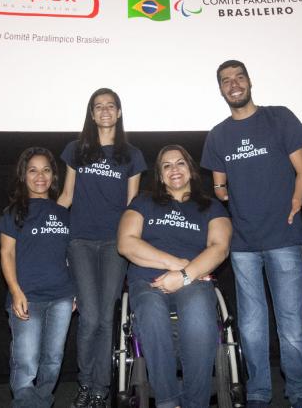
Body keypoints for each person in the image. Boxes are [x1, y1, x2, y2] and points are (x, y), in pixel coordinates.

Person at [200, 60, 302, 408]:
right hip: (243, 244)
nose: (233, 84)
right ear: (220, 89)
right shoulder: (218, 135)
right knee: (251, 326)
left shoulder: (279, 117)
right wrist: (226, 190)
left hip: (283, 237)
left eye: (238, 77)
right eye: (226, 81)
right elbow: (218, 186)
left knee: (292, 326)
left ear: (249, 82)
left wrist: (295, 202)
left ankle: (299, 393)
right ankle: (259, 393)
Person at [117, 145, 232, 408]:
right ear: (159, 174)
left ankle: (196, 402)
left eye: (180, 163)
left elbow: (219, 248)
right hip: (148, 280)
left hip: (194, 281)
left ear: (190, 169)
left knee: (200, 314)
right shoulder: (143, 202)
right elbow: (126, 243)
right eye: (166, 165)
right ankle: (167, 401)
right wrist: (177, 265)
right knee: (150, 311)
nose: (174, 169)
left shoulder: (211, 207)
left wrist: (184, 276)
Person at [58, 88, 147, 408]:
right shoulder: (75, 150)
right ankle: (85, 384)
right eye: (99, 107)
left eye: (111, 106)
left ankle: (100, 389)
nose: (105, 111)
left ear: (119, 113)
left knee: (106, 317)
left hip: (113, 244)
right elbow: (66, 196)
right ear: (92, 114)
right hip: (80, 241)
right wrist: (47, 230)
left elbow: (131, 205)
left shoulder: (132, 155)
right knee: (90, 317)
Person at [0, 147, 76, 408]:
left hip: (61, 299)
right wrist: (16, 291)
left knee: (53, 361)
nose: (39, 175)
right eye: (33, 170)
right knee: (26, 362)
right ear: (23, 176)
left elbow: (69, 256)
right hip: (27, 298)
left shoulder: (64, 213)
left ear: (53, 176)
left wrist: (75, 293)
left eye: (46, 170)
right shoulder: (13, 213)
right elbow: (6, 254)